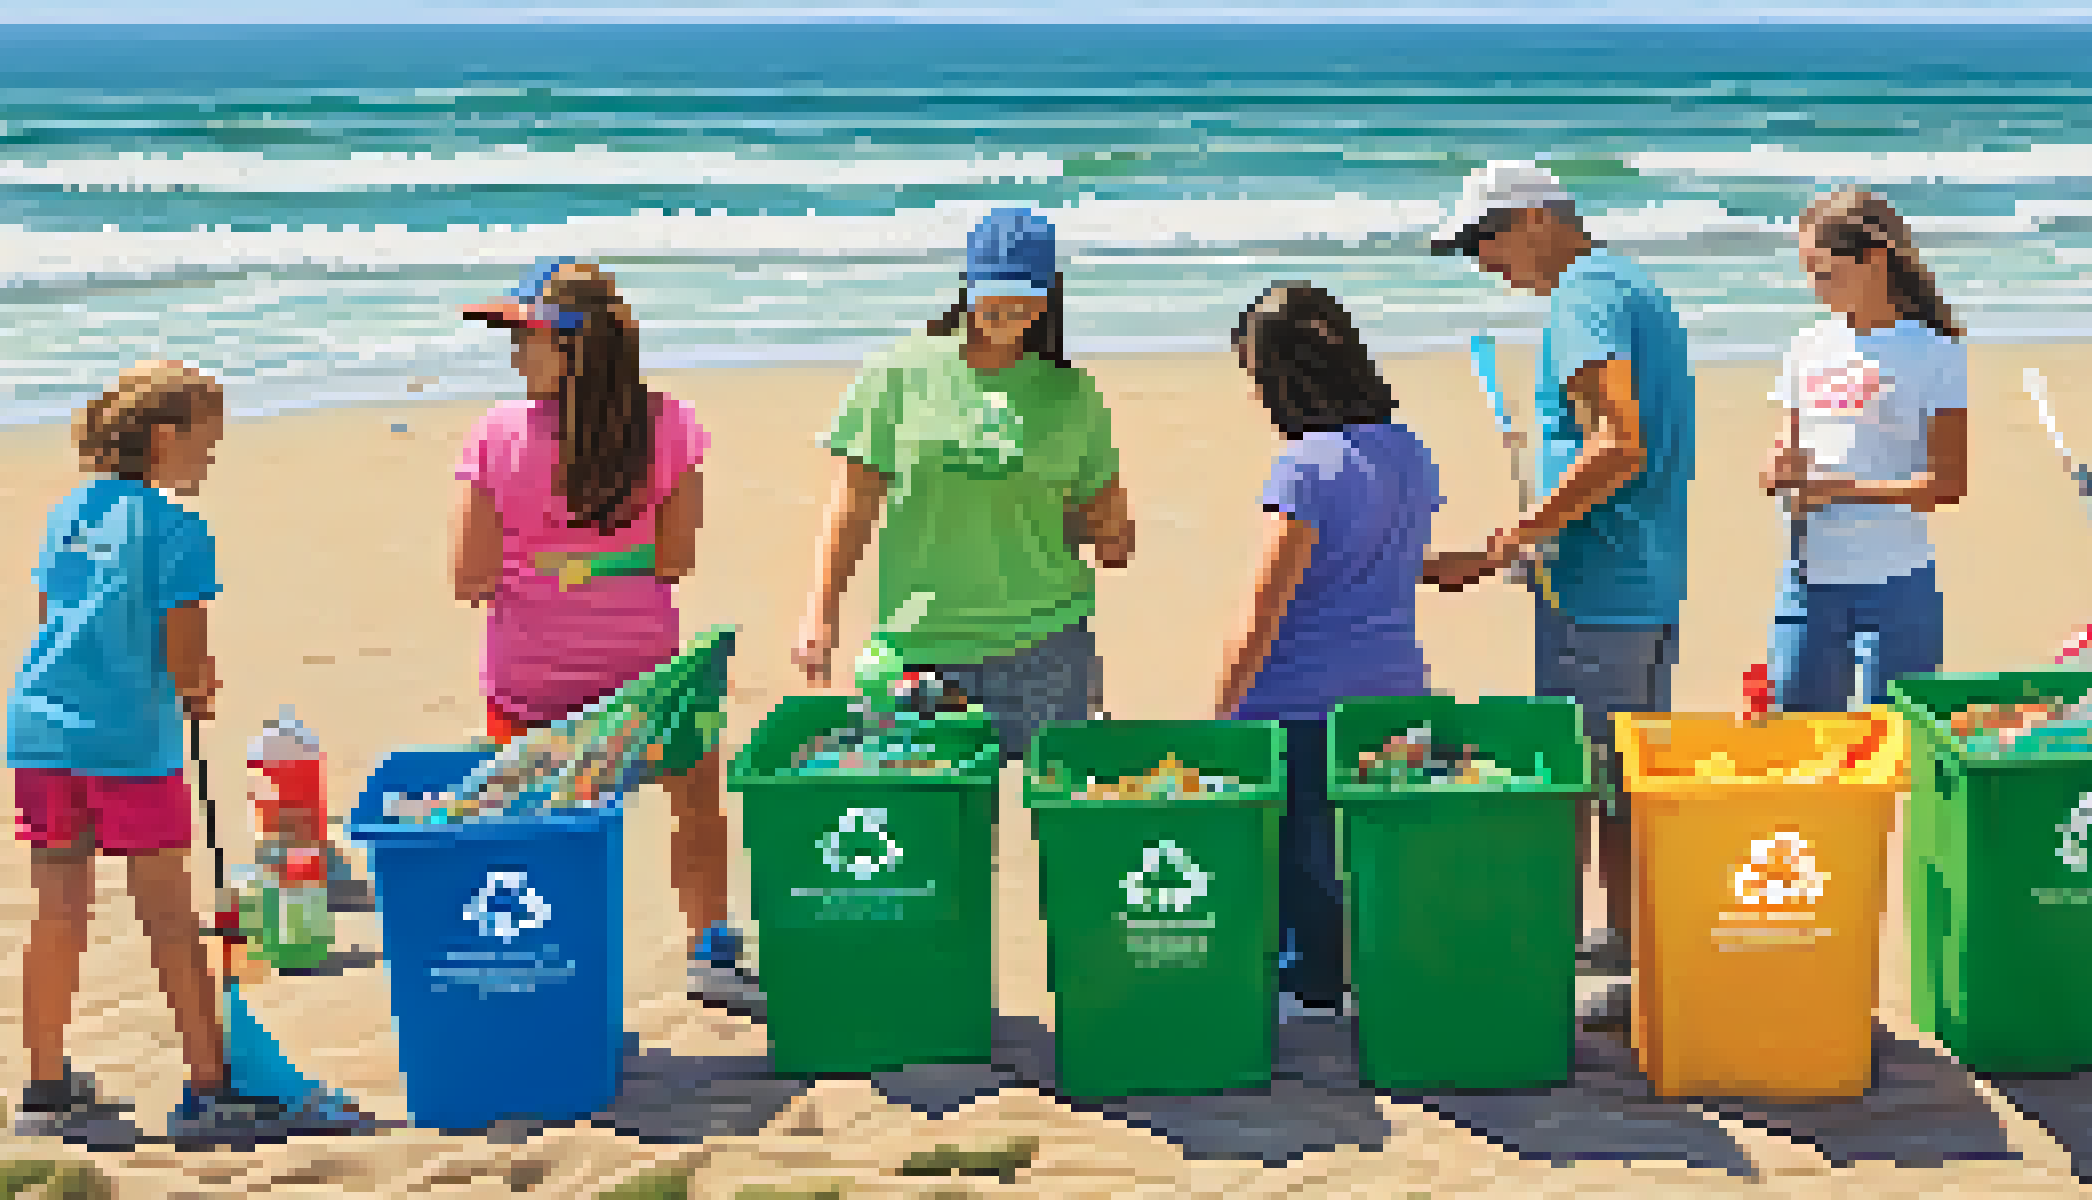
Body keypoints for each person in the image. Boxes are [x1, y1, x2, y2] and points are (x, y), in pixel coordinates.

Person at [9, 361, 300, 1142]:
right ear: (164, 439)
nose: (210, 458)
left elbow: (51, 618)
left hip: (40, 735)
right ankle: (209, 1084)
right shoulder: (177, 531)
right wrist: (200, 691)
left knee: (59, 913)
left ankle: (44, 1086)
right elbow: (185, 658)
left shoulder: (67, 512)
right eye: (206, 443)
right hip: (129, 748)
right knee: (171, 917)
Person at [451, 260, 752, 1013]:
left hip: (530, 687)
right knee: (695, 804)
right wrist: (607, 560)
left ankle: (546, 955)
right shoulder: (671, 425)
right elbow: (677, 560)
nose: (514, 355)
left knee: (533, 825)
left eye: (525, 339)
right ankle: (710, 942)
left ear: (572, 348)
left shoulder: (494, 435)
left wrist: (547, 563)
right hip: (645, 685)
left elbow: (467, 579)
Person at [1425, 163, 1696, 984]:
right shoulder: (1629, 285)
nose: (1483, 261)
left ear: (1539, 218)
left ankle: (1592, 960)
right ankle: (1622, 945)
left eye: (1486, 238)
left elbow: (1618, 446)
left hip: (1599, 586)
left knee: (1585, 775)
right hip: (1639, 574)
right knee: (1623, 777)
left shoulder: (1585, 295)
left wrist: (1509, 540)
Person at [795, 207, 1135, 762]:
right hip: (918, 652)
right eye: (993, 293)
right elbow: (853, 506)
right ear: (967, 287)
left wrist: (1101, 529)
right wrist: (820, 616)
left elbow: (1114, 539)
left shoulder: (1074, 395)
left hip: (1047, 650)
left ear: (1050, 294)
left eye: (1025, 294)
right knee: (923, 838)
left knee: (1063, 835)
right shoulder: (897, 375)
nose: (1007, 308)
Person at [1216, 282, 1443, 1021]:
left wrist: (1219, 712)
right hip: (1395, 693)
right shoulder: (1409, 453)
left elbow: (1264, 608)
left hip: (1301, 701)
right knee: (1370, 860)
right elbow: (1396, 559)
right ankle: (1364, 982)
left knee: (1303, 868)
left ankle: (1312, 997)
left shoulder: (1305, 469)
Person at [1760, 188, 1969, 711]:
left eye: (1825, 274)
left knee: (1896, 749)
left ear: (1875, 260)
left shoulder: (1933, 350)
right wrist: (1779, 469)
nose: (1814, 289)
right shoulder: (1808, 344)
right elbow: (1786, 447)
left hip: (1897, 586)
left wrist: (1840, 491)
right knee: (1801, 745)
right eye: (1808, 273)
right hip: (1808, 582)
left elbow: (1946, 485)